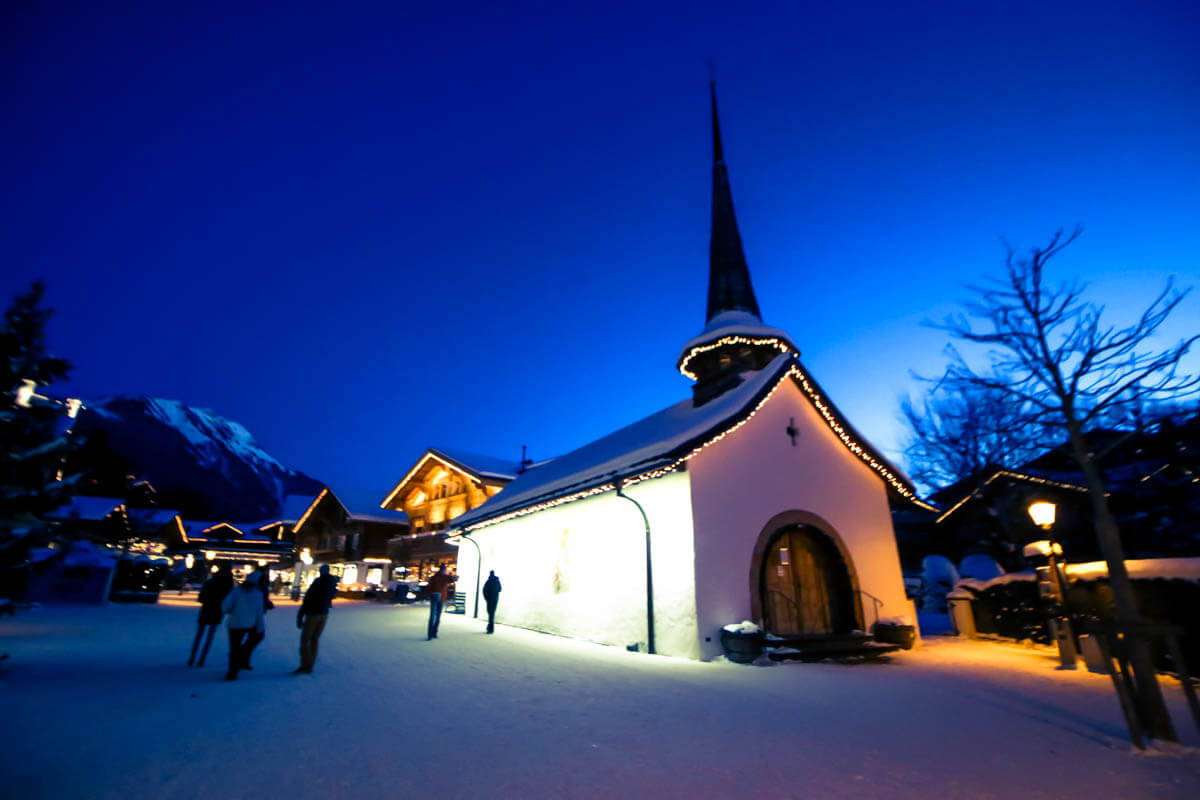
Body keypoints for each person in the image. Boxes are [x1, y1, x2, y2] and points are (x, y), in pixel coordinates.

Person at [221, 572, 266, 681]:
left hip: (234, 624)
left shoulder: (236, 592)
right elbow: (259, 612)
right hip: (250, 623)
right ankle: (242, 661)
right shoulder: (258, 594)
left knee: (234, 648)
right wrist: (260, 626)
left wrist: (232, 611)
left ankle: (232, 672)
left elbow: (225, 607)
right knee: (253, 641)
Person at [294, 565, 338, 674]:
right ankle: (310, 665)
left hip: (313, 613)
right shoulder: (332, 583)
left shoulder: (318, 582)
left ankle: (305, 665)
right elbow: (332, 596)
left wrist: (300, 616)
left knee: (305, 640)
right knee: (314, 639)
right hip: (324, 613)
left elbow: (308, 598)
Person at [188, 563, 233, 667]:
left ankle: (192, 658)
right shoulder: (228, 584)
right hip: (218, 610)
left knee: (199, 635)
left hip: (206, 608)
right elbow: (228, 599)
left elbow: (201, 597)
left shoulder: (211, 581)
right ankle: (201, 660)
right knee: (210, 636)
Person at [241, 566, 275, 670]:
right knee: (257, 636)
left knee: (252, 637)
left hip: (247, 613)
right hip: (255, 614)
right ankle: (241, 656)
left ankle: (243, 659)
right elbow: (262, 598)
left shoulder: (252, 581)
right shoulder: (261, 582)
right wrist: (268, 604)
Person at [425, 565, 455, 640]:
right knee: (437, 616)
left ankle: (431, 634)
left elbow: (428, 588)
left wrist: (432, 593)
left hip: (435, 597)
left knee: (433, 616)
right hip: (441, 598)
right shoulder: (445, 577)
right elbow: (453, 579)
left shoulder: (434, 577)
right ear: (444, 570)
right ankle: (434, 632)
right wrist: (451, 574)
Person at [482, 570, 502, 634]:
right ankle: (490, 628)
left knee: (490, 613)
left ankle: (490, 628)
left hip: (490, 600)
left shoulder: (488, 581)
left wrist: (486, 598)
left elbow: (484, 590)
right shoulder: (497, 581)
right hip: (495, 600)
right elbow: (500, 589)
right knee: (492, 613)